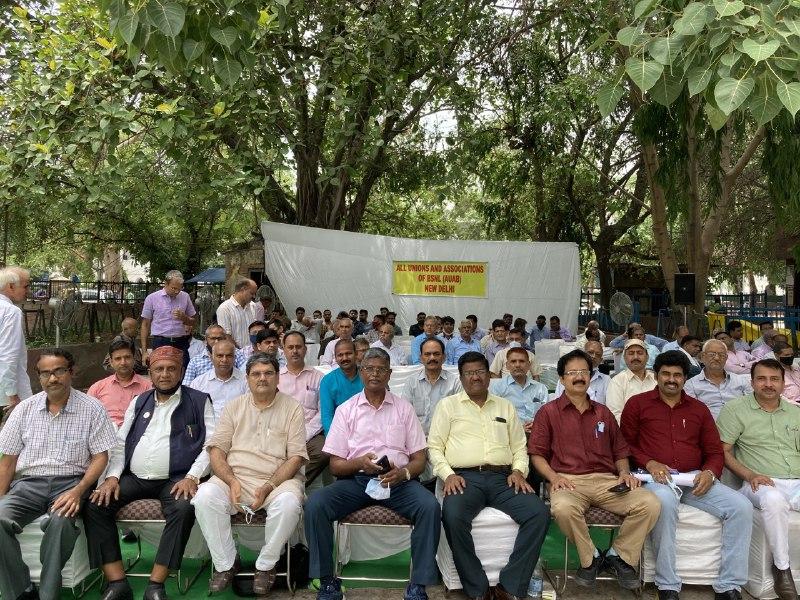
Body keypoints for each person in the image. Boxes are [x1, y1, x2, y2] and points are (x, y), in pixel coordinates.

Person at [305, 348, 440, 600]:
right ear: (361, 372)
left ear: (389, 374)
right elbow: (335, 465)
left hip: (397, 482)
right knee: (316, 504)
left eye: (381, 369)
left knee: (429, 506)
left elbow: (420, 459)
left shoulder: (404, 409)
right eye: (369, 368)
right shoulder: (347, 410)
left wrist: (404, 473)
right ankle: (326, 582)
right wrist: (358, 463)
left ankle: (418, 585)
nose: (375, 374)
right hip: (357, 481)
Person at [84, 345, 216, 600]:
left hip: (176, 479)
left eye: (171, 369)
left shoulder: (199, 400)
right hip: (134, 478)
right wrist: (112, 477)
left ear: (181, 371)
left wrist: (192, 476)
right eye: (159, 369)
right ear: (151, 373)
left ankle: (156, 584)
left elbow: (211, 445)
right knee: (95, 505)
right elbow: (121, 443)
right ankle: (116, 582)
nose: (165, 374)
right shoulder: (140, 400)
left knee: (183, 507)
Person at [620, 350, 753, 600]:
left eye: (677, 375)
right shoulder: (637, 404)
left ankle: (729, 585)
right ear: (656, 375)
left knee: (741, 507)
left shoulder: (698, 409)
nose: (671, 379)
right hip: (655, 480)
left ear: (684, 378)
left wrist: (710, 473)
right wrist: (649, 463)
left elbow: (714, 451)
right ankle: (667, 585)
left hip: (694, 479)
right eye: (666, 374)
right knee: (666, 502)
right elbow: (624, 445)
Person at [531, 349, 660, 590]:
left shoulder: (603, 413)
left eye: (584, 372)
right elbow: (537, 454)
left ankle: (617, 555)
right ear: (562, 379)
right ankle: (590, 558)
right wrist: (553, 477)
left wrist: (623, 473)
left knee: (650, 503)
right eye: (572, 372)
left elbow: (621, 452)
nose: (579, 376)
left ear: (591, 376)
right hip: (568, 481)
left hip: (606, 481)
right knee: (563, 508)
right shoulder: (548, 413)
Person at [428, 351, 550, 600]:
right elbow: (434, 447)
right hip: (464, 479)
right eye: (469, 373)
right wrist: (448, 475)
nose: (475, 377)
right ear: (461, 378)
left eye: (480, 372)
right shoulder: (447, 406)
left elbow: (518, 447)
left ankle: (509, 585)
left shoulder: (505, 406)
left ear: (490, 375)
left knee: (539, 513)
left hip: (503, 479)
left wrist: (518, 471)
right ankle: (478, 589)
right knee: (453, 515)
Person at [0, 349, 116, 600]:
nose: (53, 378)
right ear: (39, 377)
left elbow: (100, 457)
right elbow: (8, 461)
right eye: (46, 373)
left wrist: (78, 491)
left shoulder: (92, 408)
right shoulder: (24, 410)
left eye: (59, 371)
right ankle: (20, 590)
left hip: (71, 483)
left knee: (61, 522)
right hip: (27, 485)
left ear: (71, 373)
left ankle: (48, 593)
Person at [193, 354, 307, 595]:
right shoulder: (234, 406)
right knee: (205, 496)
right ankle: (226, 563)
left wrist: (269, 486)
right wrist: (231, 480)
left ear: (277, 377)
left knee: (289, 503)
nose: (262, 378)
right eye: (256, 374)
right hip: (236, 478)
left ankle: (266, 565)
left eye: (268, 373)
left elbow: (296, 457)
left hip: (278, 481)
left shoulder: (293, 407)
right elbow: (216, 449)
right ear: (247, 379)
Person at [717, 359, 800, 600]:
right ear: (752, 382)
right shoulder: (735, 409)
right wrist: (750, 475)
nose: (768, 384)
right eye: (762, 379)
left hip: (796, 482)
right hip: (757, 482)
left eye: (774, 379)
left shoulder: (795, 413)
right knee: (773, 499)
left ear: (783, 384)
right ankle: (782, 570)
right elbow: (723, 451)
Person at [279, 331, 328, 485]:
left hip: (311, 433)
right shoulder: (275, 377)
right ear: (284, 350)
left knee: (324, 452)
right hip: (280, 431)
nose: (295, 351)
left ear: (305, 349)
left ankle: (290, 484)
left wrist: (304, 433)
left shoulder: (319, 377)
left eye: (299, 347)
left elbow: (322, 411)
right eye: (290, 347)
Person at [89, 339, 153, 427]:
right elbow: (87, 415)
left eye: (127, 357)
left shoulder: (148, 387)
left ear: (134, 359)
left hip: (136, 435)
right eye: (118, 359)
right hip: (104, 435)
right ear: (111, 362)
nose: (123, 362)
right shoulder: (97, 388)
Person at [140, 270, 197, 368]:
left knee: (183, 372)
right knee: (161, 373)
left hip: (181, 341)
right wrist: (144, 352)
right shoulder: (152, 298)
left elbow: (193, 322)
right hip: (160, 341)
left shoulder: (185, 297)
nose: (176, 291)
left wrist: (184, 317)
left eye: (179, 288)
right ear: (165, 283)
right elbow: (145, 325)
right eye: (174, 288)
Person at [406, 337, 462, 435]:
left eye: (436, 354)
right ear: (421, 358)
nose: (432, 358)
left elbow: (460, 416)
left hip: (447, 439)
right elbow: (405, 415)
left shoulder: (455, 382)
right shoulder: (411, 382)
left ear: (444, 357)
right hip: (417, 441)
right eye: (427, 354)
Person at [684, 339, 752, 420]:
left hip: (741, 427)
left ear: (726, 358)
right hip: (709, 429)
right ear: (702, 356)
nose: (716, 358)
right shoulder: (691, 385)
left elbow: (751, 406)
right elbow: (691, 414)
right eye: (712, 354)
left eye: (721, 355)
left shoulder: (741, 381)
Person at [489, 347, 549, 430]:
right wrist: (518, 429)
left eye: (522, 361)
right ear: (507, 365)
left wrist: (536, 424)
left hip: (537, 432)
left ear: (528, 365)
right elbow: (494, 417)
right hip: (509, 434)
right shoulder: (498, 387)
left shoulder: (540, 388)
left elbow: (547, 414)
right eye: (513, 361)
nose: (517, 365)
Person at [0, 266, 33, 416]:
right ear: (11, 286)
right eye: (25, 286)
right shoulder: (11, 312)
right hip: (6, 395)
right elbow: (8, 355)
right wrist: (12, 394)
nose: (28, 291)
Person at [189, 339, 248, 421]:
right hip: (208, 432)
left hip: (237, 430)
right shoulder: (198, 383)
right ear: (211, 358)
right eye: (220, 356)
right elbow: (192, 413)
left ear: (235, 358)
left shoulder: (246, 381)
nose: (224, 360)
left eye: (229, 356)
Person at [319, 339, 364, 435]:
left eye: (348, 353)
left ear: (356, 354)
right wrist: (334, 441)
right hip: (339, 432)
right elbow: (327, 416)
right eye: (340, 355)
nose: (344, 358)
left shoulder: (367, 376)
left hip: (366, 430)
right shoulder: (328, 381)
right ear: (335, 357)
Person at [606, 339, 657, 422]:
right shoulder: (617, 381)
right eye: (631, 353)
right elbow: (615, 415)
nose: (635, 357)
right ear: (625, 358)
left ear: (647, 357)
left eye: (640, 353)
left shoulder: (656, 379)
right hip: (629, 432)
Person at [554, 340, 611, 404]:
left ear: (601, 360)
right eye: (590, 352)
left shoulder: (606, 380)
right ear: (583, 354)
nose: (593, 356)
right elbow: (557, 404)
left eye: (598, 354)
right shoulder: (566, 377)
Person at [215, 278, 257, 349]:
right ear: (243, 289)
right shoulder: (225, 308)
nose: (254, 296)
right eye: (252, 293)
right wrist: (240, 353)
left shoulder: (253, 306)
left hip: (253, 353)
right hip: (235, 354)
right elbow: (226, 336)